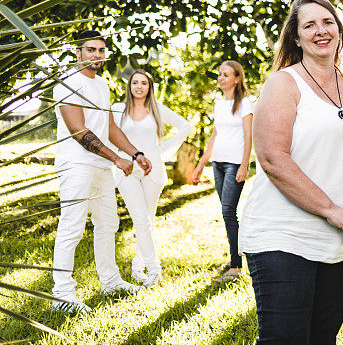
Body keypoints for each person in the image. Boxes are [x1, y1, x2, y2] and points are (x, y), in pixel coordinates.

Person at [240, 0, 343, 344]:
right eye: (309, 25)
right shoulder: (284, 83)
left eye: (327, 22)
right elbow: (272, 159)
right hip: (284, 234)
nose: (320, 31)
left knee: (322, 338)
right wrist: (330, 209)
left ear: (339, 30)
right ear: (296, 38)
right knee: (285, 338)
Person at [52, 30, 153, 313]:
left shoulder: (102, 86)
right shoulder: (67, 84)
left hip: (100, 165)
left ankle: (110, 281)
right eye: (90, 50)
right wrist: (117, 160)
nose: (97, 55)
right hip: (76, 164)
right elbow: (79, 131)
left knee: (108, 224)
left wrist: (135, 153)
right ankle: (62, 296)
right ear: (78, 52)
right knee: (71, 227)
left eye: (101, 50)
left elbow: (109, 128)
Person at [111, 70, 192, 286]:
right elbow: (109, 134)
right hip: (127, 169)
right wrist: (116, 159)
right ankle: (154, 269)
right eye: (135, 82)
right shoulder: (118, 109)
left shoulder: (157, 110)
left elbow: (186, 127)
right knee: (140, 217)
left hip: (152, 170)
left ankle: (138, 268)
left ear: (150, 87)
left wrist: (161, 150)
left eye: (143, 83)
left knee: (147, 220)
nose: (139, 86)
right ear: (129, 86)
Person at [192, 60, 253, 282]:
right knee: (227, 213)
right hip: (217, 163)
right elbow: (214, 136)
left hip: (234, 164)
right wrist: (201, 164)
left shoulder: (245, 104)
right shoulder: (219, 104)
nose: (221, 78)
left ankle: (236, 266)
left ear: (237, 79)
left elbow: (249, 136)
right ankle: (234, 256)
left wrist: (245, 164)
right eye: (220, 74)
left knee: (228, 212)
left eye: (226, 75)